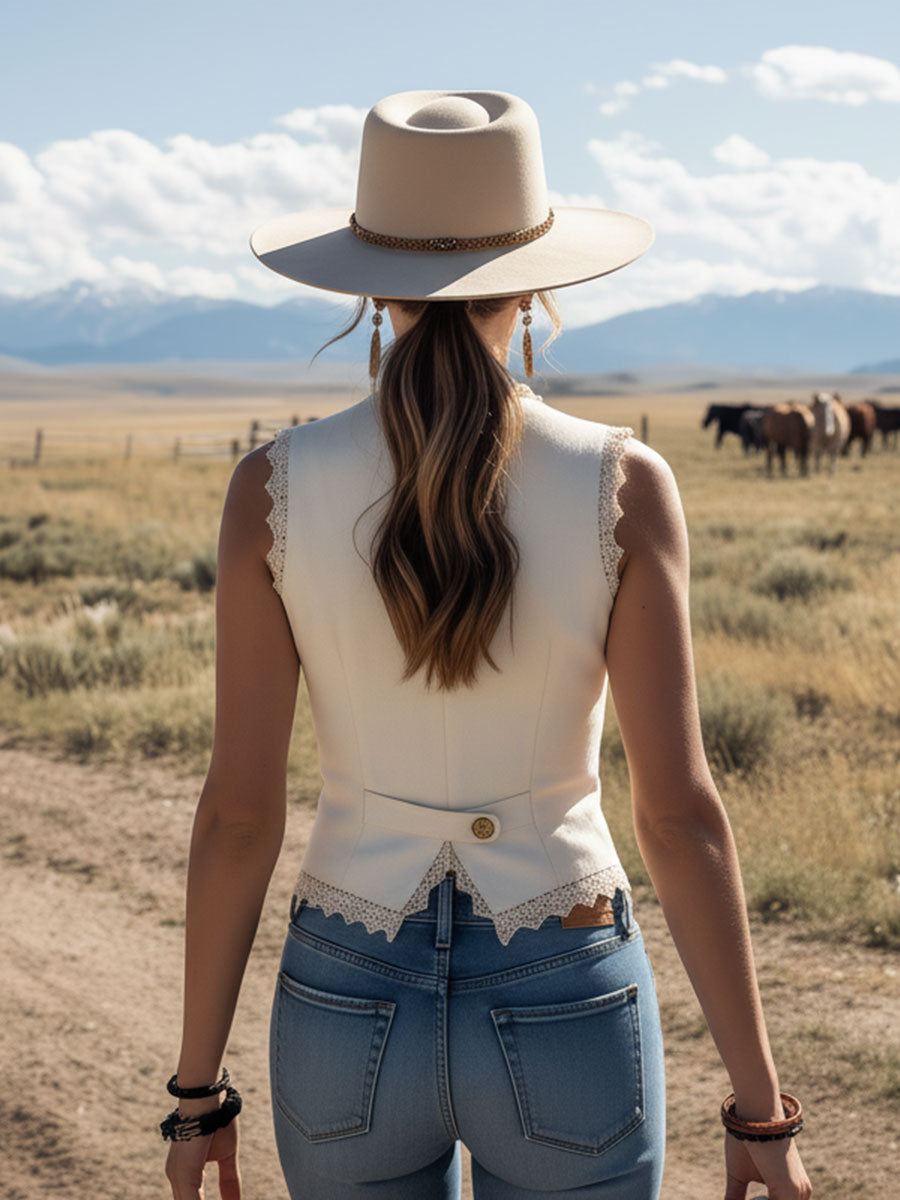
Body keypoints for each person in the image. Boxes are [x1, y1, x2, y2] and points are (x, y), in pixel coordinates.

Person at [162, 90, 812, 1200]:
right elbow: (677, 809)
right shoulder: (622, 483)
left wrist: (194, 1099)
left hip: (343, 990)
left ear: (371, 286)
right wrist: (759, 1107)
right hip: (564, 978)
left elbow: (237, 813)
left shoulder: (269, 490)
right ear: (538, 281)